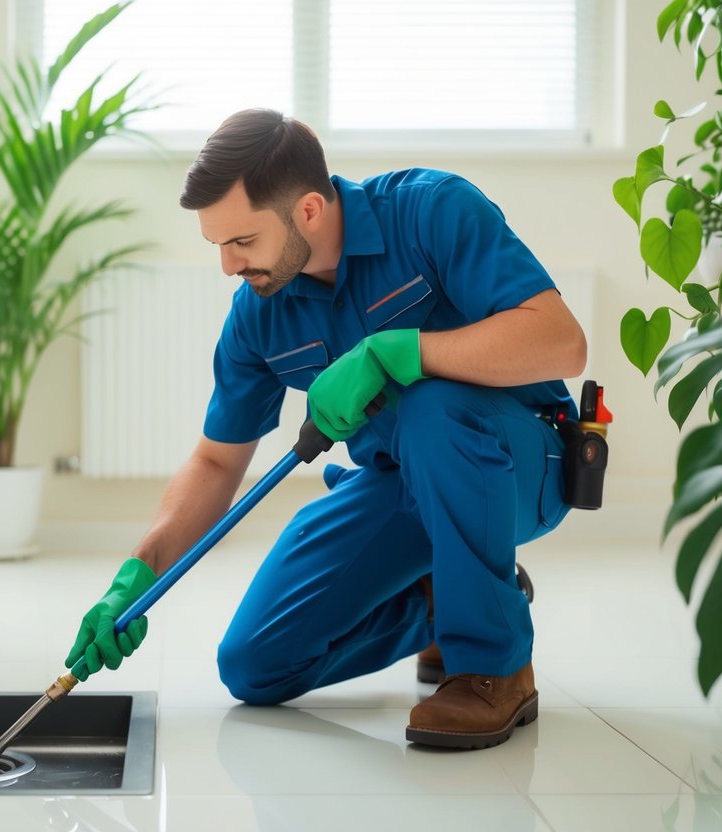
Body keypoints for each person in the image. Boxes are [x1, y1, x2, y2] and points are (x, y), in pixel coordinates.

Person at [64, 108, 586, 750]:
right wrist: (137, 576)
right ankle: (439, 602)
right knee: (254, 663)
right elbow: (216, 463)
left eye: (243, 242)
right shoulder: (258, 314)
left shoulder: (431, 212)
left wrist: (404, 352)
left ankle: (494, 669)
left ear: (308, 210)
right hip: (398, 485)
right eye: (218, 245)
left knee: (431, 407)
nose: (229, 265)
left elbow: (562, 342)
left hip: (520, 464)